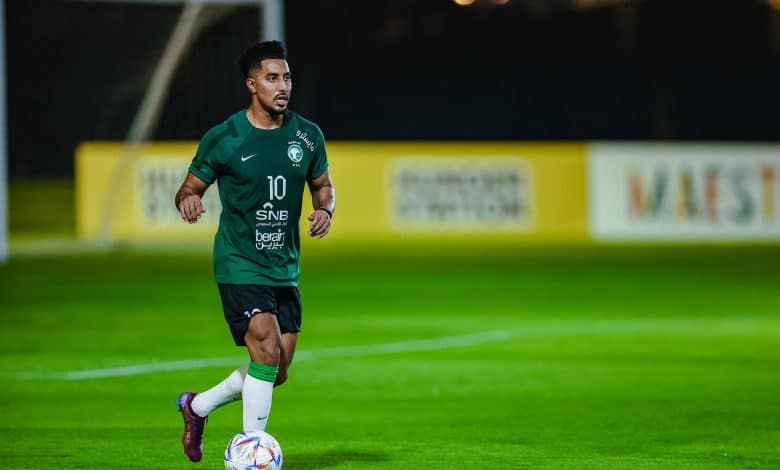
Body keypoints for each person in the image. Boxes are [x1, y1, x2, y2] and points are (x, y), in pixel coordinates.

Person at [173, 40, 335, 462]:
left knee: (276, 370)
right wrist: (189, 201)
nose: (283, 86)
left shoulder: (307, 135)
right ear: (251, 84)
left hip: (284, 267)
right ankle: (251, 453)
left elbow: (322, 186)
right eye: (272, 78)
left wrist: (325, 210)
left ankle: (197, 406)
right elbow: (189, 188)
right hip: (239, 263)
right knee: (265, 349)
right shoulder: (225, 137)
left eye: (287, 78)